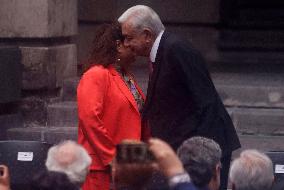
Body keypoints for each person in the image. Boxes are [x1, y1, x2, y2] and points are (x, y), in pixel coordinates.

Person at [118, 5, 241, 189]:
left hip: (206, 150)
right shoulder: (162, 51)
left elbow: (205, 101)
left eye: (129, 38)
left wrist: (201, 154)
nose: (126, 44)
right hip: (186, 148)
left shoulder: (177, 49)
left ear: (146, 35)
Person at [77, 23, 150, 190]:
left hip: (128, 167)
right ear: (118, 46)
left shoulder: (126, 76)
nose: (135, 53)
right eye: (129, 46)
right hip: (102, 169)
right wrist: (112, 157)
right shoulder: (96, 74)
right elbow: (90, 119)